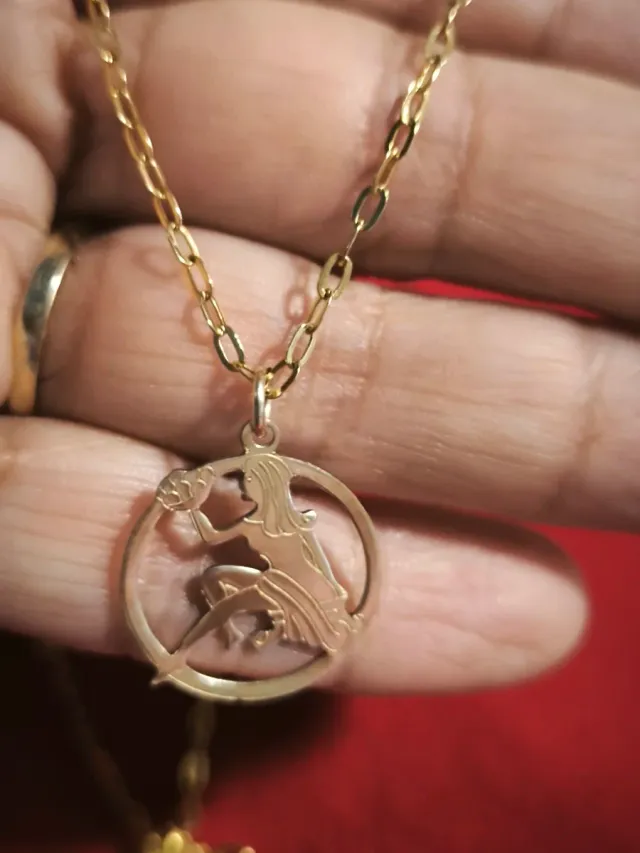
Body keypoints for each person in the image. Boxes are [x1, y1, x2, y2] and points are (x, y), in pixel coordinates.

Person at [1, 0, 638, 700]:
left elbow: (218, 542)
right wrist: (187, 506)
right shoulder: (267, 519)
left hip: (303, 597)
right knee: (223, 586)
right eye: (250, 486)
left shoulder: (276, 527)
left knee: (231, 589)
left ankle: (188, 654)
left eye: (251, 486)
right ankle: (190, 653)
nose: (248, 489)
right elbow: (209, 540)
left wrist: (189, 508)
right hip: (289, 592)